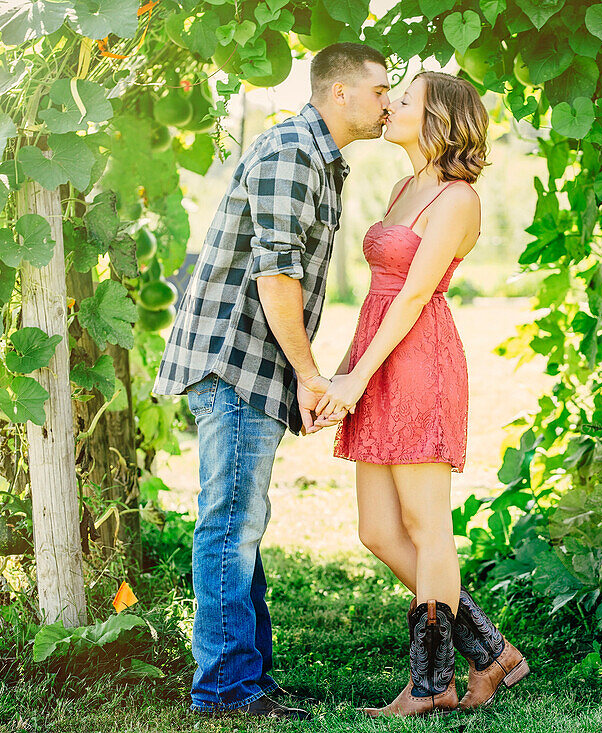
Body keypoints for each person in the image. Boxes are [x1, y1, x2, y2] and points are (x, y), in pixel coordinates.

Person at [151, 43, 390, 720]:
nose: (386, 102)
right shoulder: (292, 152)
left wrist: (300, 374)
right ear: (339, 93)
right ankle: (225, 688)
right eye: (379, 90)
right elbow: (276, 275)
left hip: (254, 361)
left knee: (242, 520)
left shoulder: (317, 156)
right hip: (234, 359)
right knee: (230, 523)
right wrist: (310, 375)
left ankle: (247, 674)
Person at [314, 71, 530, 717]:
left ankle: (431, 680)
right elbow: (381, 292)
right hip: (377, 358)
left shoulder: (459, 200)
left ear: (437, 119)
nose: (389, 105)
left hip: (418, 363)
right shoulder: (405, 186)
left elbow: (412, 294)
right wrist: (348, 372)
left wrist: (358, 376)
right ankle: (491, 651)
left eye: (402, 99)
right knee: (378, 529)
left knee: (427, 526)